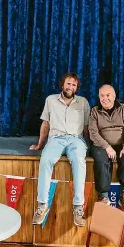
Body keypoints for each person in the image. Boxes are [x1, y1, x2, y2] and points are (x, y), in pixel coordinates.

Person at [30, 73, 90, 227]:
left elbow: (86, 127)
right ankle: (42, 205)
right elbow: (45, 124)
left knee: (78, 160)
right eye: (68, 84)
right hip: (55, 139)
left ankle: (78, 208)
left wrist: (91, 146)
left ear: (77, 88)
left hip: (76, 139)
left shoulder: (83, 102)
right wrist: (39, 145)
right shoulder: (51, 100)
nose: (71, 87)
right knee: (46, 160)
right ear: (62, 85)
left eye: (74, 85)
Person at [89, 84, 124, 211]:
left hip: (121, 143)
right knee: (100, 159)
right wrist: (107, 146)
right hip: (101, 144)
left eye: (108, 95)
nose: (105, 98)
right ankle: (103, 197)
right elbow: (93, 133)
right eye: (102, 96)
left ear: (114, 96)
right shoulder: (94, 111)